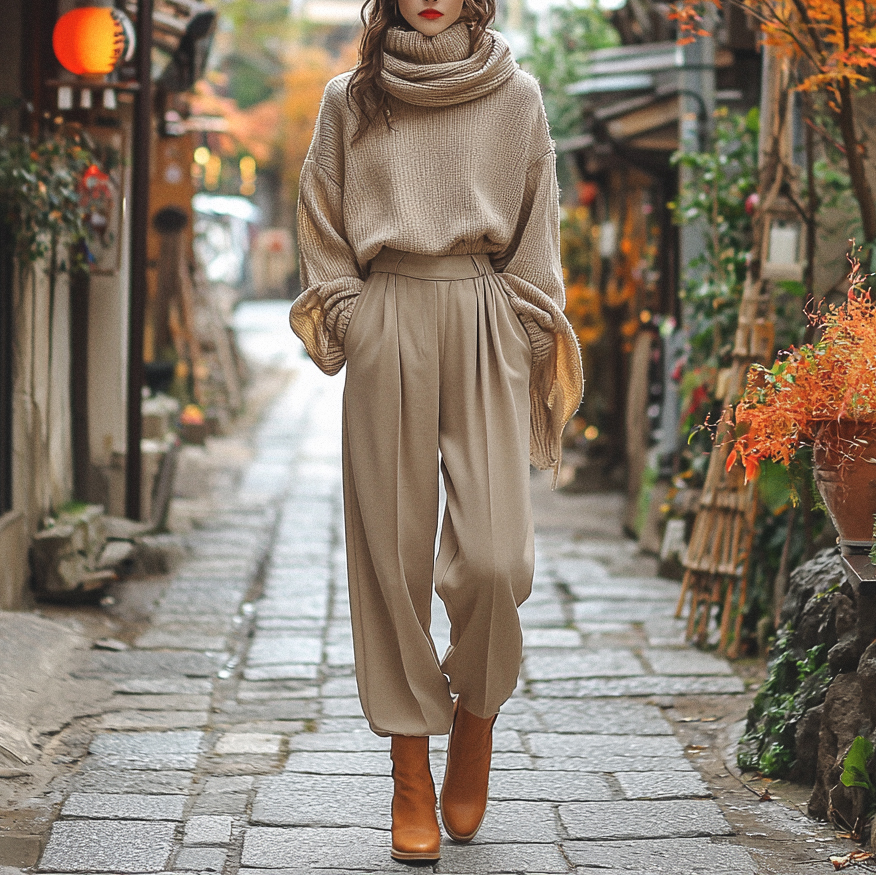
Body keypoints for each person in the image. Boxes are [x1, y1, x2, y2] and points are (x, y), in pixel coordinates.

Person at [290, 0, 583, 861]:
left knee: (497, 556)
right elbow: (321, 218)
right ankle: (409, 770)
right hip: (388, 317)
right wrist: (353, 311)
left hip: (486, 312)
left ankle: (476, 719)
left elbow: (538, 231)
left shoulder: (516, 95)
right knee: (392, 557)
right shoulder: (352, 97)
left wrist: (528, 336)